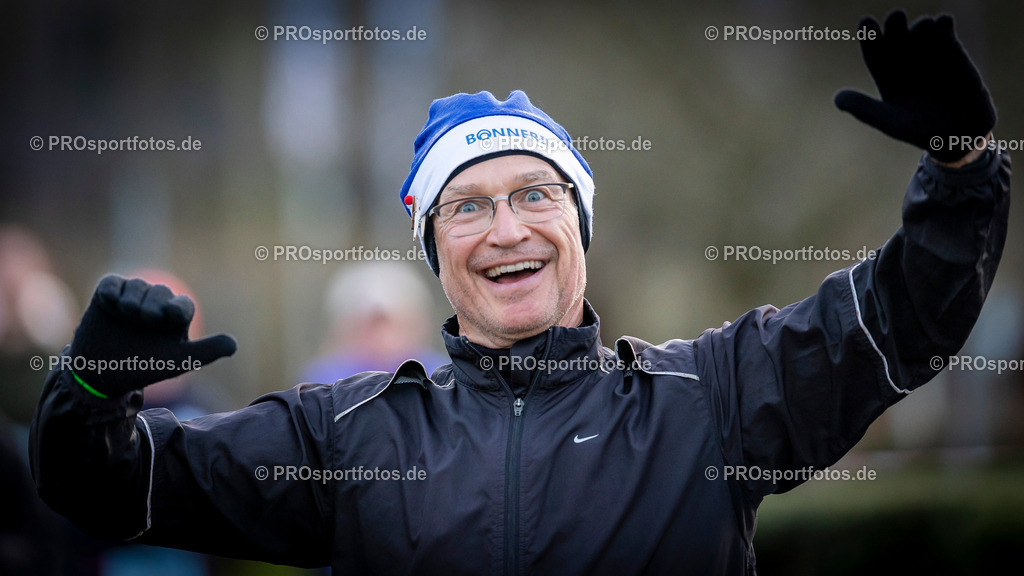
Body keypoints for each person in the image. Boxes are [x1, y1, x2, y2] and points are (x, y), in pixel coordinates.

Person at [30, 11, 1010, 575]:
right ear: (435, 250)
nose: (506, 229)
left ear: (577, 229)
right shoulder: (346, 433)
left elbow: (901, 324)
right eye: (466, 208)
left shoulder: (711, 399)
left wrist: (962, 170)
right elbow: (113, 489)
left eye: (536, 194)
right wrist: (90, 388)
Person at [300, 261, 448, 384]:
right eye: (370, 326)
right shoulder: (323, 381)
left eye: (392, 325)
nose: (382, 338)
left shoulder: (440, 377)